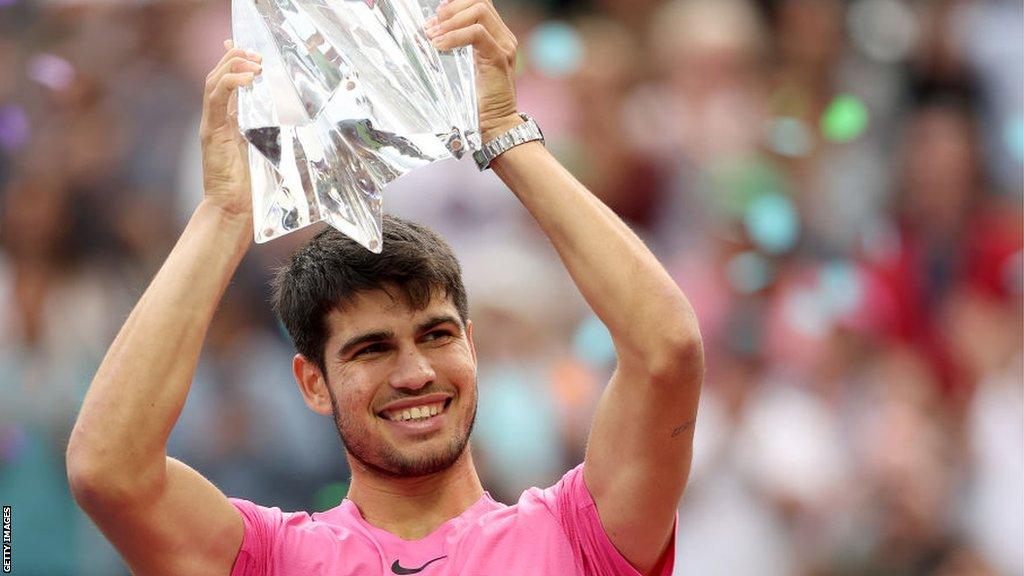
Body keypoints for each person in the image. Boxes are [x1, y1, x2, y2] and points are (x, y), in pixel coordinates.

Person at [65, 1, 704, 574]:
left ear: (472, 347)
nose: (416, 371)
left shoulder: (578, 535)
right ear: (312, 382)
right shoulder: (271, 559)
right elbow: (108, 471)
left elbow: (666, 351)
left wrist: (505, 135)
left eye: (437, 334)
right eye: (371, 349)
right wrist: (228, 213)